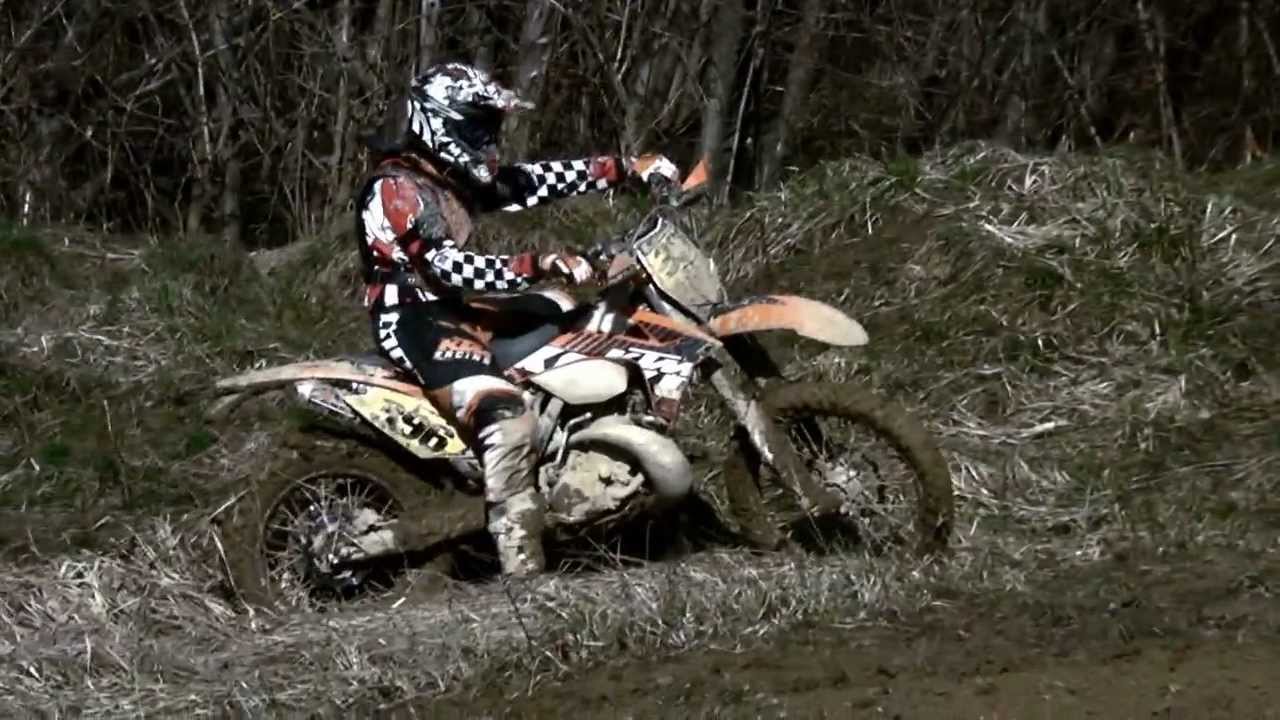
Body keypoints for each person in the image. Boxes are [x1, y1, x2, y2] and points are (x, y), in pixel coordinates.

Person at [353, 62, 678, 578]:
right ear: (440, 123)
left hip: (454, 310)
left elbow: (532, 181)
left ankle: (572, 450)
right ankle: (521, 565)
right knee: (506, 413)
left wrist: (625, 168)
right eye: (479, 127)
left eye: (492, 128)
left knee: (570, 312)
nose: (489, 140)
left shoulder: (447, 178)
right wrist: (535, 263)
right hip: (412, 318)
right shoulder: (397, 188)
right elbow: (445, 265)